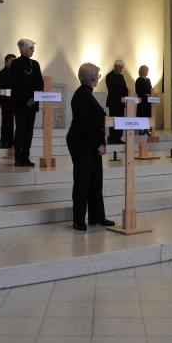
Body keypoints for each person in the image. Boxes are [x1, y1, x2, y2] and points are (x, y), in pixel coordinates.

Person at [67, 63, 115, 232]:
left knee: (96, 180)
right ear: (92, 78)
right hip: (81, 143)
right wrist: (98, 144)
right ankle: (79, 220)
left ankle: (97, 217)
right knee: (83, 181)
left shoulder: (87, 94)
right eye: (97, 75)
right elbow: (85, 125)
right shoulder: (82, 95)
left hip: (89, 143)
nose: (98, 77)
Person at [10, 38, 44, 167]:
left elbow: (40, 83)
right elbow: (15, 85)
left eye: (33, 48)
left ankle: (26, 157)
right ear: (23, 49)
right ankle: (18, 157)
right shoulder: (15, 64)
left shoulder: (35, 64)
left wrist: (35, 98)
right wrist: (26, 100)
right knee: (21, 130)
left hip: (33, 103)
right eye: (31, 48)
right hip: (20, 104)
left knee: (29, 131)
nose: (33, 51)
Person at [105, 60, 129, 144]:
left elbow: (125, 88)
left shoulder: (121, 76)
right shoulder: (109, 76)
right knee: (114, 120)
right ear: (115, 66)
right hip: (113, 102)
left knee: (121, 120)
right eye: (120, 68)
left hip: (121, 103)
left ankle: (118, 137)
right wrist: (120, 97)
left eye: (122, 68)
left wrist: (125, 96)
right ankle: (112, 138)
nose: (120, 69)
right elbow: (111, 90)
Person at [0, 53, 16, 148]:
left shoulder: (16, 73)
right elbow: (2, 90)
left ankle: (12, 141)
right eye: (12, 61)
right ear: (6, 62)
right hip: (5, 101)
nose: (14, 63)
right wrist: (12, 92)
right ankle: (5, 141)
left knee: (13, 122)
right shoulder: (1, 73)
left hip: (14, 101)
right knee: (6, 121)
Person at [135, 65, 152, 134]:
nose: (146, 71)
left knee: (148, 114)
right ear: (141, 71)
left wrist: (151, 93)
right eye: (145, 70)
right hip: (142, 101)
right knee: (142, 115)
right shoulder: (139, 80)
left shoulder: (148, 80)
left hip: (148, 101)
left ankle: (147, 129)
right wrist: (145, 94)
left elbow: (151, 89)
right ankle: (141, 129)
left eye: (147, 70)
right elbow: (138, 90)